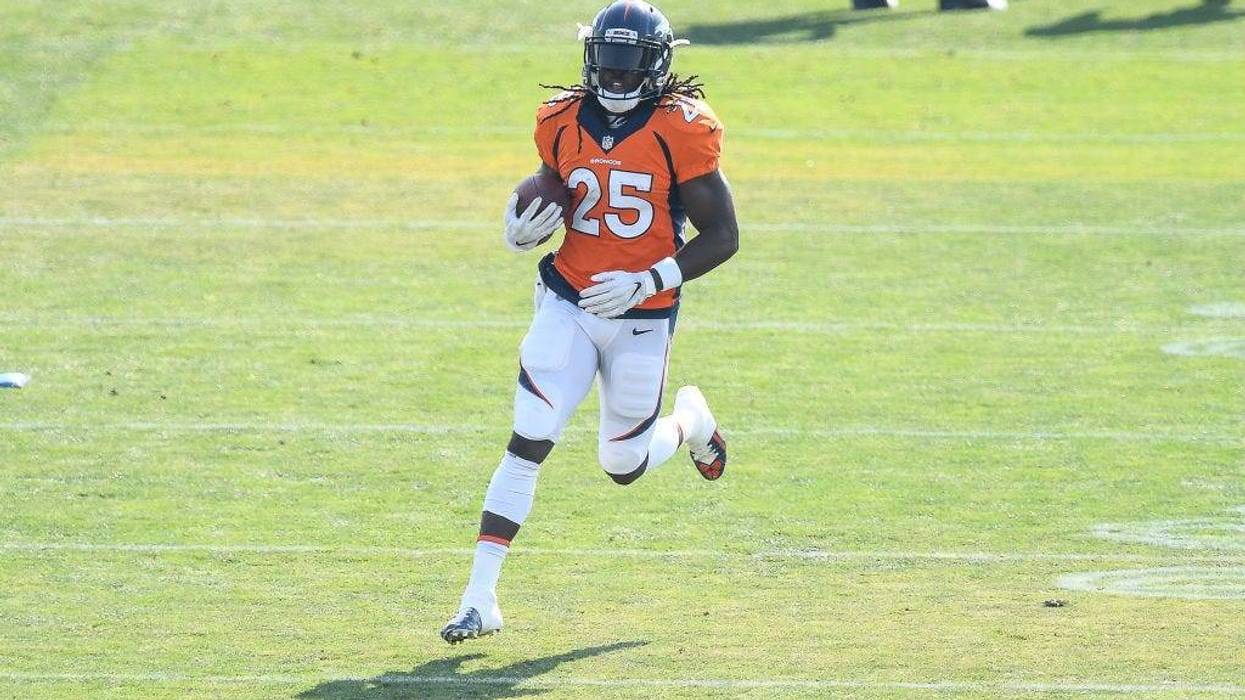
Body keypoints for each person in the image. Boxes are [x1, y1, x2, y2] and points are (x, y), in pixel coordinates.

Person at [440, 0, 739, 644]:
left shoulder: (682, 127)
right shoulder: (560, 118)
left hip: (642, 311)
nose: (618, 76)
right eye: (607, 60)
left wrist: (649, 278)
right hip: (569, 297)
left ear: (657, 66)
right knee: (530, 436)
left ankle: (691, 421)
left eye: (632, 64)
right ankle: (479, 596)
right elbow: (552, 183)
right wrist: (522, 227)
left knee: (622, 464)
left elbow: (724, 234)